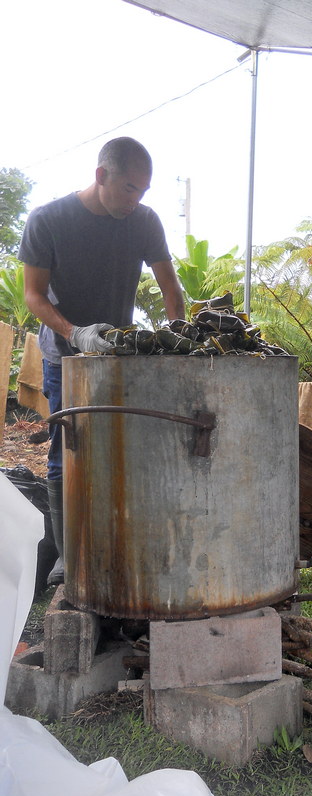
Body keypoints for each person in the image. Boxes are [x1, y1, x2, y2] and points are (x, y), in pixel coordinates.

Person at [20, 136, 186, 586]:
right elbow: (33, 295)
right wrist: (74, 333)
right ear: (101, 176)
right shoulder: (48, 220)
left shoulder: (144, 221)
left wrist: (180, 340)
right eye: (130, 188)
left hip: (118, 354)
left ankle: (117, 537)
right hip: (64, 356)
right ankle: (67, 555)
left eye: (144, 192)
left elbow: (172, 288)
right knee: (66, 449)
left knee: (119, 447)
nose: (136, 200)